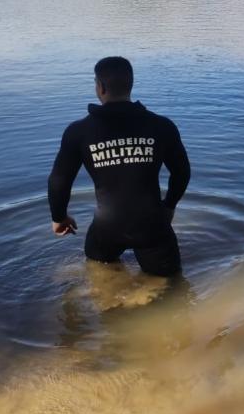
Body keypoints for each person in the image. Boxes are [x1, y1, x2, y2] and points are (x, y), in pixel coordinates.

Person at [48, 56, 191, 277]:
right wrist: (170, 205)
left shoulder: (79, 131)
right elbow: (182, 172)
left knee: (100, 275)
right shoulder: (161, 126)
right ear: (130, 84)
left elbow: (60, 181)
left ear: (101, 87)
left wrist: (59, 217)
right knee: (172, 285)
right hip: (152, 225)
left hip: (106, 228)